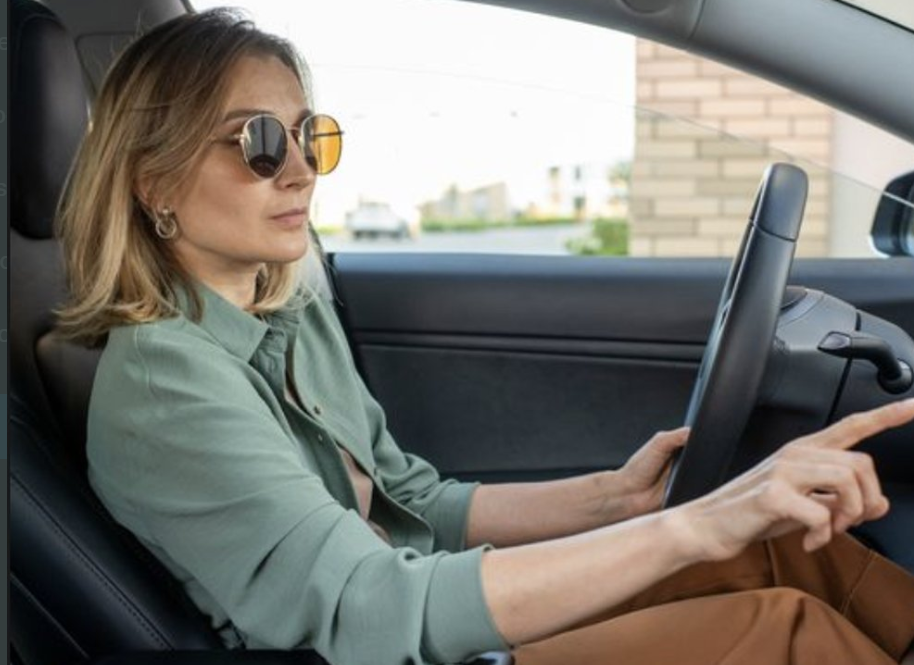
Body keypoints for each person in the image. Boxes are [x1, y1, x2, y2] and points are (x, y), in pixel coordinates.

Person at [55, 8, 914, 665]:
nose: (302, 168)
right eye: (259, 141)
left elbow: (415, 502)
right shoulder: (166, 383)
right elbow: (370, 607)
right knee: (787, 630)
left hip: (434, 623)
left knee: (795, 553)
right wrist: (699, 525)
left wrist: (620, 498)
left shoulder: (283, 306)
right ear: (152, 177)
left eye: (310, 135)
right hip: (398, 645)